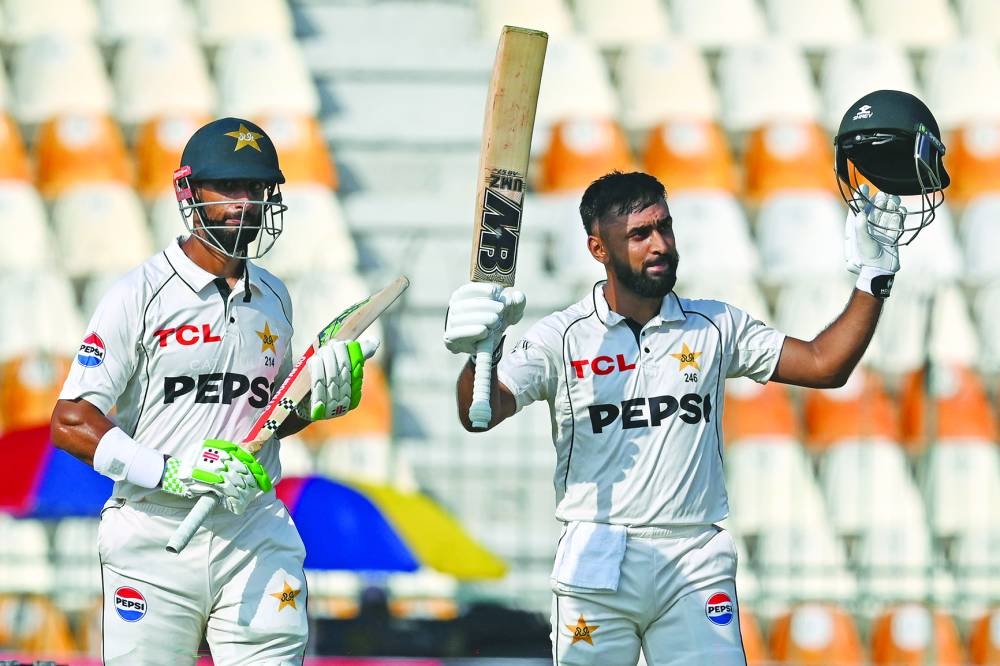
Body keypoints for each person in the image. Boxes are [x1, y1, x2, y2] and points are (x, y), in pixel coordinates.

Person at [443, 89, 948, 665]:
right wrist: (479, 351)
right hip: (596, 554)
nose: (660, 245)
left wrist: (874, 277)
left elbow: (824, 366)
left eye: (664, 227)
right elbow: (480, 413)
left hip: (694, 558)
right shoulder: (563, 335)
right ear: (597, 248)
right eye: (639, 235)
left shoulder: (715, 324)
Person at [50, 117, 378, 665]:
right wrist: (171, 471)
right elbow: (71, 421)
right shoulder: (140, 294)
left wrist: (313, 405)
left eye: (255, 189)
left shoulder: (274, 296)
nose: (244, 202)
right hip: (154, 528)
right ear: (188, 191)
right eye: (228, 187)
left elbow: (267, 416)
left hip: (254, 527)